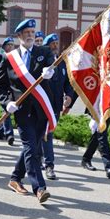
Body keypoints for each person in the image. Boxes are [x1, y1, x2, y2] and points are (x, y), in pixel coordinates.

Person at [0, 19, 56, 204]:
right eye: (26, 33)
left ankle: (14, 178)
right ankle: (40, 188)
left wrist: (49, 72)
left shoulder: (43, 52)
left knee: (33, 147)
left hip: (41, 109)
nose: (30, 35)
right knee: (31, 148)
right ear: (18, 36)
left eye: (32, 32)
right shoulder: (9, 58)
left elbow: (52, 65)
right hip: (22, 111)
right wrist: (7, 103)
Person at [40, 33, 74, 180]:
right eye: (51, 44)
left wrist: (69, 95)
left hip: (56, 105)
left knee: (46, 134)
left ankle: (41, 158)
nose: (54, 46)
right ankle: (49, 166)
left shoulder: (61, 62)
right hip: (42, 104)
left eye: (55, 43)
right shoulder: (40, 63)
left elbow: (68, 82)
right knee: (47, 134)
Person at [0, 37, 16, 145]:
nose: (11, 47)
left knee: (6, 111)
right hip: (3, 90)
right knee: (7, 110)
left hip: (13, 89)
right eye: (9, 45)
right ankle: (9, 134)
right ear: (4, 47)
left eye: (12, 45)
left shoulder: (17, 57)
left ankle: (0, 131)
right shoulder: (0, 57)